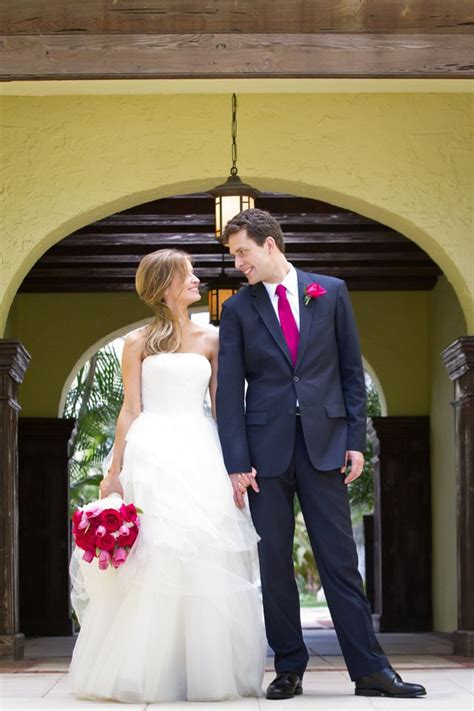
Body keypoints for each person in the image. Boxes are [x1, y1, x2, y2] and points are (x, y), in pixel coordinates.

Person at [216, 208, 427, 701]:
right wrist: (236, 463)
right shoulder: (239, 309)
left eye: (242, 252)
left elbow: (351, 373)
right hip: (263, 456)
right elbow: (229, 392)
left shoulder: (329, 292)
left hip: (326, 446)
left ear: (270, 245)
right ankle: (289, 667)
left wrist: (355, 439)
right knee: (273, 561)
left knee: (339, 562)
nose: (238, 264)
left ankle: (371, 670)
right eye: (233, 256)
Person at [68, 248, 266, 703]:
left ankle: (204, 670)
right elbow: (130, 409)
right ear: (166, 286)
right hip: (152, 452)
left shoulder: (212, 341)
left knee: (203, 553)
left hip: (200, 449)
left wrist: (237, 463)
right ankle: (146, 670)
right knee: (155, 553)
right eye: (189, 275)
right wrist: (113, 471)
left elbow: (223, 409)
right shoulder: (137, 343)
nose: (198, 280)